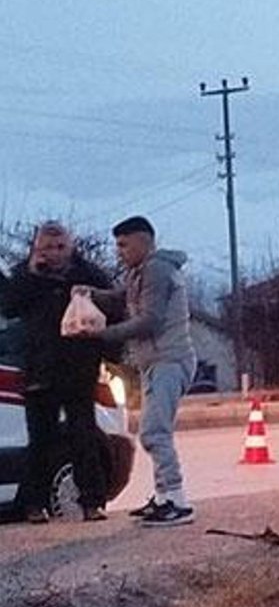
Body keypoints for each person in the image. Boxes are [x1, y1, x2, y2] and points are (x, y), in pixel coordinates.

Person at [77, 216, 197, 527]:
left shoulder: (156, 269)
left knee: (154, 432)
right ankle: (163, 497)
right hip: (156, 363)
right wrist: (91, 294)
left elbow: (150, 321)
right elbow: (121, 296)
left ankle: (177, 500)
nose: (119, 251)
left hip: (169, 361)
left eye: (123, 244)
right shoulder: (139, 272)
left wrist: (102, 334)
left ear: (143, 240)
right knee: (154, 431)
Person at [0, 221, 115, 523]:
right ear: (37, 249)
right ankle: (34, 504)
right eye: (47, 247)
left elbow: (114, 309)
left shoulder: (88, 276)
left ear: (71, 246)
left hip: (79, 366)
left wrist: (106, 352)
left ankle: (93, 502)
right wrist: (32, 274)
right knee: (41, 440)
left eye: (60, 247)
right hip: (39, 369)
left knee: (83, 436)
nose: (54, 253)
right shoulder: (25, 276)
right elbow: (9, 307)